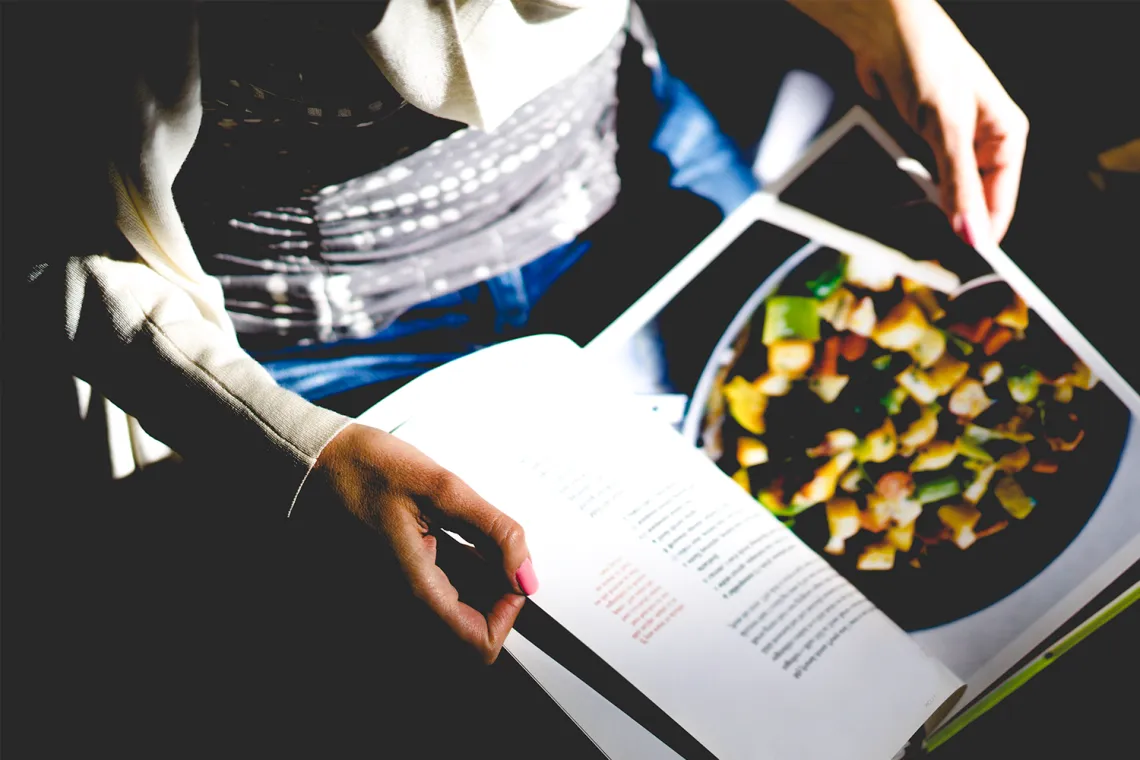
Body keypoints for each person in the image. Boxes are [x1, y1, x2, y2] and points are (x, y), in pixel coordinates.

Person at [9, 0, 1026, 753]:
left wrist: (892, 16)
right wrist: (299, 451)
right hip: (313, 342)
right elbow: (53, 230)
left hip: (631, 163)